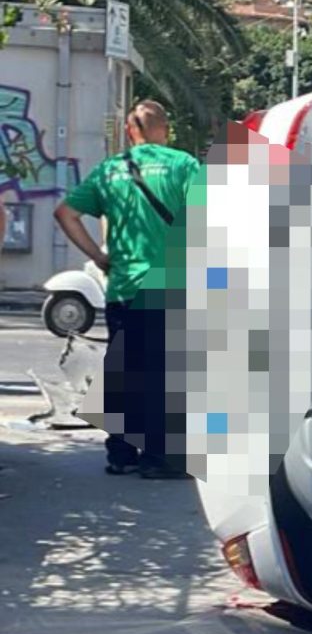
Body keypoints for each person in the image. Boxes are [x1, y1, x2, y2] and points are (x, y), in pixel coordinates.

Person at [54, 100, 199, 478]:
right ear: (164, 129)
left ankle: (120, 455)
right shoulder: (183, 165)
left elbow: (65, 214)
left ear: (130, 131)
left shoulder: (109, 170)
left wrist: (98, 258)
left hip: (122, 287)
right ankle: (158, 460)